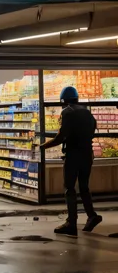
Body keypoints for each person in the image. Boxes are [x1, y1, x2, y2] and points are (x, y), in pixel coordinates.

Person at [40, 86, 101, 236]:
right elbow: (94, 129)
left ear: (64, 100)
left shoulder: (67, 112)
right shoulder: (87, 112)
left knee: (69, 188)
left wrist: (43, 146)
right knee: (84, 187)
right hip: (87, 154)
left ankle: (71, 222)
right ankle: (91, 215)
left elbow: (61, 137)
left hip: (73, 155)